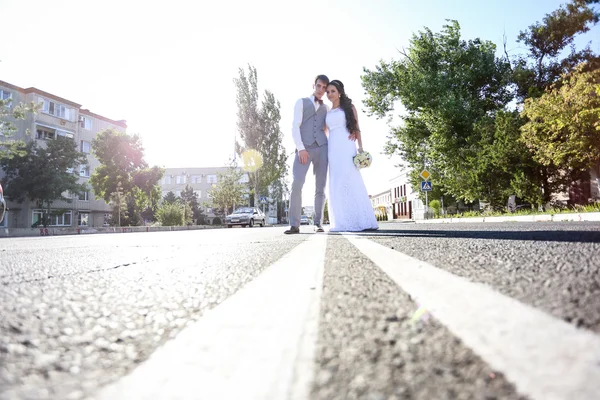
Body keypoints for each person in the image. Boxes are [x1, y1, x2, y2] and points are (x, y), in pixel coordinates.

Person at [325, 79, 379, 232]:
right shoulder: (328, 112)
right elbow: (325, 131)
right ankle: (342, 220)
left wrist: (361, 148)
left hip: (347, 146)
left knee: (350, 178)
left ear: (340, 92)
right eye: (328, 92)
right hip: (333, 149)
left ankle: (361, 219)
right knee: (337, 182)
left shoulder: (349, 108)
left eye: (333, 91)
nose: (329, 94)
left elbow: (357, 127)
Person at [284, 75, 330, 234]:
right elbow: (295, 127)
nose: (321, 90)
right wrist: (301, 148)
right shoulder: (301, 102)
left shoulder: (326, 108)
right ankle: (294, 224)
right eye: (319, 86)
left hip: (322, 147)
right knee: (297, 184)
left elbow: (327, 129)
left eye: (324, 88)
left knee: (320, 187)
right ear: (313, 85)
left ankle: (318, 223)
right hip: (304, 148)